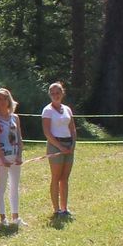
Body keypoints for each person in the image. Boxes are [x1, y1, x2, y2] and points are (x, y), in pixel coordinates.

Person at [41, 82, 77, 219]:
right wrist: (60, 146)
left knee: (65, 178)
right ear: (50, 95)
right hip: (55, 145)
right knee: (56, 177)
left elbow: (72, 128)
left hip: (68, 145)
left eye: (58, 93)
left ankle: (64, 208)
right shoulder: (47, 111)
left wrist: (73, 144)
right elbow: (47, 132)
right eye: (53, 93)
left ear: (62, 93)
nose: (56, 95)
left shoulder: (67, 109)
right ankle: (56, 210)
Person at [0, 87, 23, 228]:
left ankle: (15, 216)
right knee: (2, 186)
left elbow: (19, 137)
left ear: (9, 100)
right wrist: (2, 158)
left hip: (15, 155)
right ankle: (3, 218)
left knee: (15, 186)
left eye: (4, 99)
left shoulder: (15, 117)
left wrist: (20, 154)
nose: (2, 102)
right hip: (2, 157)